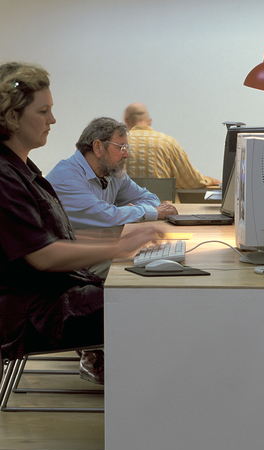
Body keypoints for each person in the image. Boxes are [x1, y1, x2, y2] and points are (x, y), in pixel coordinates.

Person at [0, 61, 158, 384]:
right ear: (12, 116)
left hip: (53, 301)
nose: (53, 120)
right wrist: (120, 246)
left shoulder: (22, 170)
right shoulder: (6, 176)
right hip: (39, 315)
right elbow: (43, 256)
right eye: (43, 111)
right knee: (153, 303)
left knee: (150, 293)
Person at [46, 117, 178, 232]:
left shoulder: (112, 173)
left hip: (96, 248)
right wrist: (144, 212)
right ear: (98, 147)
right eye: (121, 148)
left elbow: (150, 199)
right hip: (67, 256)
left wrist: (129, 211)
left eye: (127, 148)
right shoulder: (66, 177)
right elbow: (105, 216)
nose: (126, 155)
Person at [124, 102, 221, 189]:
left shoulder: (118, 145)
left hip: (126, 207)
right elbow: (191, 181)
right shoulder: (167, 142)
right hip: (161, 207)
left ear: (126, 121)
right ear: (150, 121)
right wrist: (209, 180)